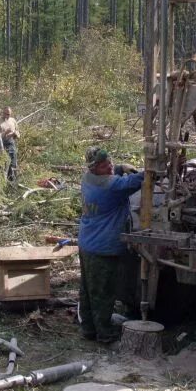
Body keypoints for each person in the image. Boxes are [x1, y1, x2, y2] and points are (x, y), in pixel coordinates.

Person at [78, 147, 144, 344]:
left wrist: (120, 167)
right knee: (103, 293)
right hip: (102, 248)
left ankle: (89, 329)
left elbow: (113, 176)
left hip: (87, 242)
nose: (110, 166)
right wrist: (151, 171)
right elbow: (134, 182)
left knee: (88, 291)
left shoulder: (87, 179)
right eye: (104, 164)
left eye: (110, 161)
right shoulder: (110, 187)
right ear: (95, 167)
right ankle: (105, 334)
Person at [0, 107, 20, 181]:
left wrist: (16, 134)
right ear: (3, 113)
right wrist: (5, 133)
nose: (7, 116)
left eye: (9, 114)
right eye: (6, 114)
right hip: (2, 145)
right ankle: (3, 183)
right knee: (4, 166)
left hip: (12, 144)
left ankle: (13, 182)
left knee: (13, 164)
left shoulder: (13, 120)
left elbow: (18, 132)